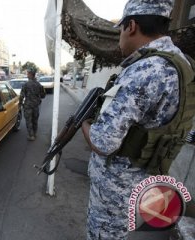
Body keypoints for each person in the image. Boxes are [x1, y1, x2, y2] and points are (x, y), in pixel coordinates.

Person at [81, 0, 194, 239]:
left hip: (115, 191)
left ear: (131, 26)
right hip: (142, 181)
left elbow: (103, 142)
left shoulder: (145, 70)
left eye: (120, 29)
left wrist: (83, 122)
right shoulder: (182, 64)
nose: (120, 37)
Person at [19, 67, 46, 141]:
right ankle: (34, 133)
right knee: (35, 120)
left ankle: (31, 136)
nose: (27, 75)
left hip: (28, 106)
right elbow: (43, 95)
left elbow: (21, 96)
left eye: (28, 73)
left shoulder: (25, 84)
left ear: (31, 74)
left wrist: (20, 104)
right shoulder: (39, 84)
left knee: (28, 121)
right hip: (36, 106)